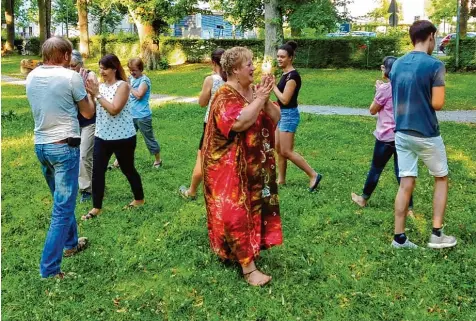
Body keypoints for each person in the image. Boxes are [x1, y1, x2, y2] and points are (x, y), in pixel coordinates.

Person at [202, 47, 282, 286]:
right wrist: (259, 99)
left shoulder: (252, 91)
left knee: (253, 208)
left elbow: (275, 117)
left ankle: (240, 251)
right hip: (225, 167)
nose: (253, 67)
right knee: (234, 213)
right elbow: (239, 122)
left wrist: (264, 99)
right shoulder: (224, 95)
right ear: (235, 70)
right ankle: (249, 269)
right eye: (248, 64)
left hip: (251, 164)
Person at [26, 37, 95, 278]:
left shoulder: (32, 76)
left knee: (61, 201)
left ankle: (72, 244)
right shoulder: (71, 77)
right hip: (64, 147)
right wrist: (90, 93)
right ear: (65, 56)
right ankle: (50, 270)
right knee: (62, 210)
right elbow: (88, 112)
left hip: (41, 146)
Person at [390, 20, 456, 249]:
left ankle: (399, 238)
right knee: (441, 177)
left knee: (405, 183)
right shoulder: (435, 65)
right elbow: (438, 103)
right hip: (426, 133)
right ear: (430, 36)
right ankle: (437, 234)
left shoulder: (397, 64)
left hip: (401, 131)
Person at [82, 54, 145, 220]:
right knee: (97, 172)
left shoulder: (123, 85)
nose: (101, 71)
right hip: (102, 136)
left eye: (105, 68)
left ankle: (139, 199)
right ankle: (96, 207)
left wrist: (96, 95)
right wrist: (88, 94)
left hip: (123, 137)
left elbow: (114, 109)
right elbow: (89, 113)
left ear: (114, 68)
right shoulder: (99, 88)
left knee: (128, 169)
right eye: (100, 68)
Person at [351, 56, 414, 217]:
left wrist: (378, 91)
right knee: (403, 172)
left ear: (385, 70)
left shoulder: (385, 89)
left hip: (385, 137)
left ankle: (363, 199)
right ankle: (410, 209)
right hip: (403, 135)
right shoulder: (407, 86)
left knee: (376, 169)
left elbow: (373, 110)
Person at [273, 41, 322, 192]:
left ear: (291, 58)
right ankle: (281, 180)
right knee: (278, 148)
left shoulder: (292, 77)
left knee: (286, 151)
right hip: (282, 114)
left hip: (289, 115)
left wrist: (273, 86)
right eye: (278, 56)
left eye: (282, 57)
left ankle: (313, 174)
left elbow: (285, 99)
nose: (279, 59)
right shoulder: (285, 74)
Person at [179, 48, 226, 200]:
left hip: (211, 125)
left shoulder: (211, 80)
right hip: (229, 124)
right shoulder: (234, 78)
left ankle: (191, 191)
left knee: (202, 158)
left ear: (213, 62)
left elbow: (202, 102)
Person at [110, 58, 162, 169]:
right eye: (130, 70)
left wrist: (129, 86)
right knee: (124, 138)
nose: (132, 73)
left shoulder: (144, 80)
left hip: (143, 116)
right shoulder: (131, 80)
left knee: (149, 139)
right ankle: (118, 161)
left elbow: (139, 95)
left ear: (141, 69)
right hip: (130, 115)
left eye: (134, 70)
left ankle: (158, 160)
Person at [70, 50, 96, 203]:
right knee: (75, 156)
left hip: (89, 122)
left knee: (85, 155)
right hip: (72, 122)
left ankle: (87, 189)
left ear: (81, 64)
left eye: (73, 66)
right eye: (68, 66)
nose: (71, 69)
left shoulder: (90, 76)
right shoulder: (66, 76)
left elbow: (95, 99)